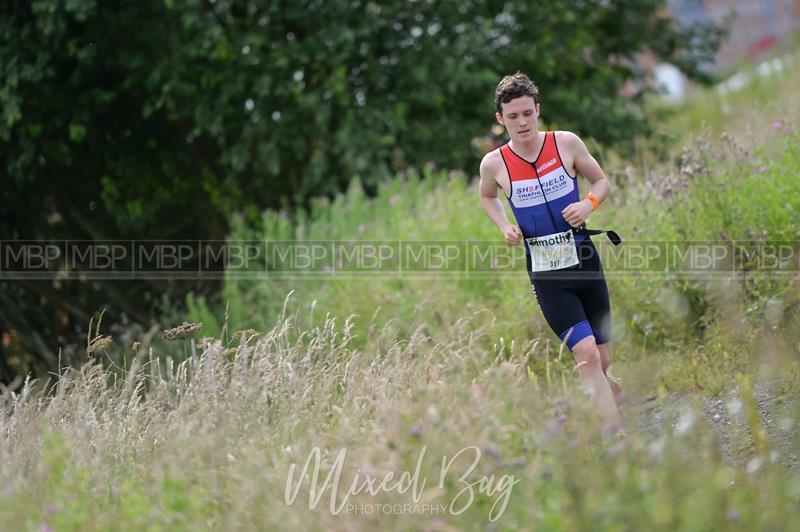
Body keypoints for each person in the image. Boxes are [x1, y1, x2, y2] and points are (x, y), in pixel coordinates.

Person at [478, 72, 623, 433]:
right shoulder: (494, 164)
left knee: (603, 357)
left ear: (538, 110)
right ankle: (615, 436)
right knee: (586, 356)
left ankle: (608, 387)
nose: (522, 122)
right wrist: (504, 226)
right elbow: (487, 196)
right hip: (547, 274)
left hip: (585, 260)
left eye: (528, 113)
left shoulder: (566, 143)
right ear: (501, 120)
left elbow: (602, 181)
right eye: (513, 117)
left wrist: (589, 203)